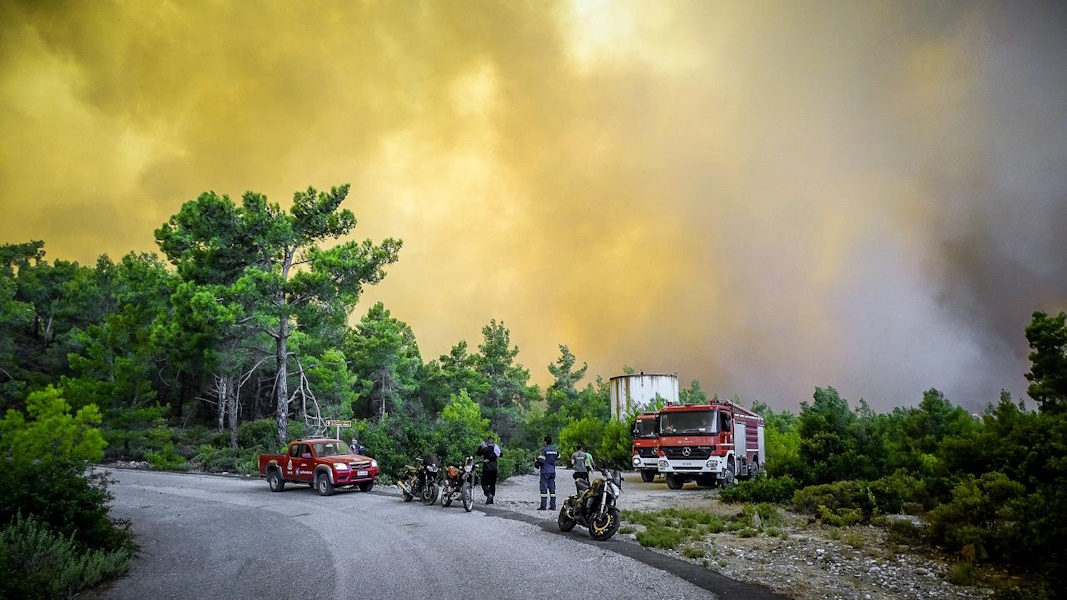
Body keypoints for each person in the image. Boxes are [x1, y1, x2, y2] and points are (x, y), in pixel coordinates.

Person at [534, 435, 559, 511]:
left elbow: (541, 461)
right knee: (552, 489)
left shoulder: (544, 450)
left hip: (545, 472)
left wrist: (536, 461)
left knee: (544, 489)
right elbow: (558, 457)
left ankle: (543, 506)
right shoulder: (554, 450)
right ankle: (553, 505)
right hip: (552, 471)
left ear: (545, 442)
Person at [475, 436, 501, 504]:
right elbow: (501, 454)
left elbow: (478, 453)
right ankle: (490, 500)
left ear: (487, 443)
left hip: (486, 468)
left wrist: (480, 446)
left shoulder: (485, 449)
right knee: (492, 484)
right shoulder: (496, 449)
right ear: (493, 443)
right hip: (494, 468)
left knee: (484, 483)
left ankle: (488, 493)